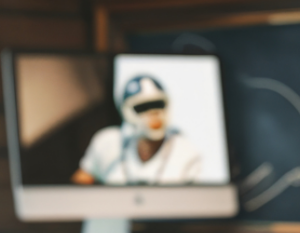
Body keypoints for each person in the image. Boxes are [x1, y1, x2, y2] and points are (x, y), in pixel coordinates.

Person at [71, 75, 202, 185]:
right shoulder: (109, 142)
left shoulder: (186, 153)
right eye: (143, 107)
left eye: (158, 104)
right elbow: (80, 182)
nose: (154, 113)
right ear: (126, 112)